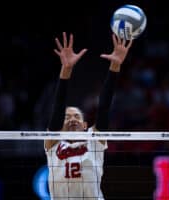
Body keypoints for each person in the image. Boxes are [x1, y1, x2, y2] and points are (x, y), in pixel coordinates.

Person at [44, 32, 133, 199]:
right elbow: (57, 110)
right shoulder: (52, 144)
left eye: (76, 117)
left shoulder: (94, 140)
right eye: (67, 117)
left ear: (85, 125)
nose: (71, 119)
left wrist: (115, 66)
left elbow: (104, 107)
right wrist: (66, 69)